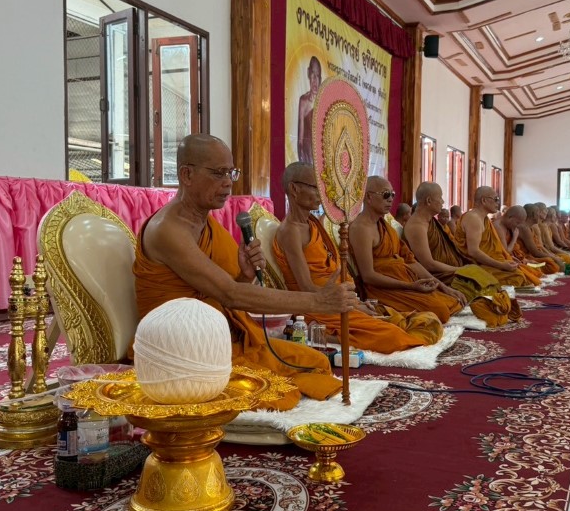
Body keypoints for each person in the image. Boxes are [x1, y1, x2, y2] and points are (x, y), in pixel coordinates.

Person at [133, 134, 358, 410]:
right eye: (218, 173)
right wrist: (318, 302)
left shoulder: (205, 224)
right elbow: (230, 294)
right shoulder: (168, 230)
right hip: (182, 349)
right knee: (277, 394)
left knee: (316, 362)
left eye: (231, 172)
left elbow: (224, 292)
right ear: (186, 174)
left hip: (221, 337)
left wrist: (245, 274)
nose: (228, 182)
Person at [272, 163, 443, 351]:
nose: (321, 194)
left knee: (424, 321)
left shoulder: (312, 224)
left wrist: (355, 302)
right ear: (294, 189)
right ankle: (326, 334)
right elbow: (307, 288)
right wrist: (351, 304)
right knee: (396, 336)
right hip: (320, 306)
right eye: (315, 187)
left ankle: (339, 333)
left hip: (341, 299)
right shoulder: (291, 231)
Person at [402, 182, 520, 326]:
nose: (443, 202)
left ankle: (496, 305)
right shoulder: (417, 226)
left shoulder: (431, 222)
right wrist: (460, 269)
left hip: (452, 268)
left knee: (488, 283)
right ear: (428, 200)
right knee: (478, 287)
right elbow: (428, 264)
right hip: (440, 274)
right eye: (440, 197)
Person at [349, 176, 465, 323]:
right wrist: (410, 286)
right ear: (368, 197)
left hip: (406, 281)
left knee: (454, 301)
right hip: (383, 289)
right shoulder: (361, 228)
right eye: (385, 194)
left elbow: (410, 261)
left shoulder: (385, 226)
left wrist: (443, 287)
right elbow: (368, 276)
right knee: (441, 311)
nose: (391, 199)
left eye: (392, 195)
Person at [456, 186, 539, 288]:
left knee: (522, 272)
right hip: (474, 264)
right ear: (484, 200)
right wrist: (501, 265)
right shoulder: (473, 218)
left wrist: (507, 257)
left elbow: (493, 249)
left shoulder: (484, 219)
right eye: (496, 199)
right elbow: (473, 252)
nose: (498, 203)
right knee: (517, 277)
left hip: (485, 262)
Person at [296, 57, 323, 163]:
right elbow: (300, 140)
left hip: (320, 160)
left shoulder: (324, 102)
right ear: (308, 74)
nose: (315, 81)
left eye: (318, 76)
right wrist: (302, 162)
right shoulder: (303, 101)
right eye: (313, 75)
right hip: (307, 158)